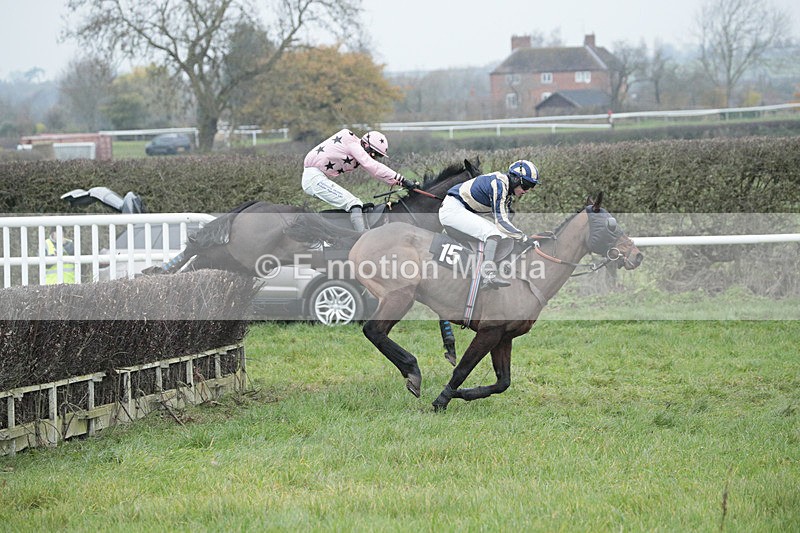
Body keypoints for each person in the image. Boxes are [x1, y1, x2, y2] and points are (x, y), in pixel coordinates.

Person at [439, 159, 539, 289]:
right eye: (525, 186)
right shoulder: (499, 184)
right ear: (515, 179)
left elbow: (505, 221)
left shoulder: (506, 190)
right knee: (493, 234)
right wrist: (524, 238)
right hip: (453, 210)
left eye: (531, 187)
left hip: (459, 210)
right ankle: (487, 275)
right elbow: (501, 222)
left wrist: (520, 236)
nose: (526, 191)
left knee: (500, 235)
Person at [302, 129, 418, 232]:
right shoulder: (353, 145)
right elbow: (373, 166)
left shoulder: (355, 147)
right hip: (313, 178)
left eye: (377, 155)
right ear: (365, 144)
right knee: (354, 203)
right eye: (373, 153)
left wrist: (399, 182)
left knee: (356, 205)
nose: (373, 156)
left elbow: (375, 172)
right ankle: (362, 238)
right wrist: (402, 179)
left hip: (317, 176)